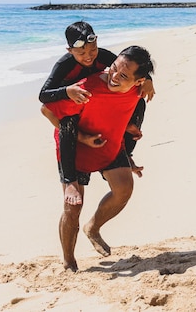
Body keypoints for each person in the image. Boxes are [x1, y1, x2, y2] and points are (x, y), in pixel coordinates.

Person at [42, 45, 155, 271]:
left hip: (108, 144)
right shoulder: (86, 88)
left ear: (139, 81)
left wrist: (128, 153)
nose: (113, 76)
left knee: (124, 189)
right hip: (76, 147)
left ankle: (93, 228)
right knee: (72, 208)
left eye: (123, 76)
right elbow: (47, 109)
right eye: (113, 68)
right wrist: (82, 137)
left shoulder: (138, 93)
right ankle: (69, 261)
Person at [39, 21, 155, 169]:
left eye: (92, 50)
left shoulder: (102, 56)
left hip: (95, 101)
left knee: (139, 102)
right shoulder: (64, 65)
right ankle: (70, 178)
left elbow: (129, 68)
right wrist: (67, 91)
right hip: (72, 106)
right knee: (69, 121)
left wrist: (148, 80)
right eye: (81, 53)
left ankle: (127, 154)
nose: (88, 57)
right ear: (70, 50)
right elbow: (43, 95)